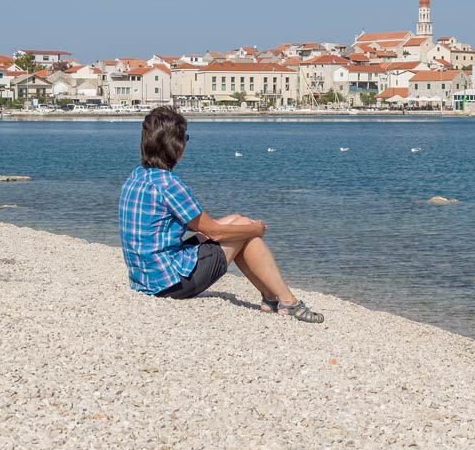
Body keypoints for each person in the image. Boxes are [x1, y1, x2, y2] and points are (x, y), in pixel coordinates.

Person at [118, 106, 323, 323]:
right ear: (176, 145)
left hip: (145, 278)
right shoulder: (169, 184)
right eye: (185, 138)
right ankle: (288, 302)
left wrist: (239, 227)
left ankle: (271, 297)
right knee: (244, 231)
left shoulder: (137, 177)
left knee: (235, 220)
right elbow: (214, 232)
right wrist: (256, 229)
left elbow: (176, 222)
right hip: (170, 283)